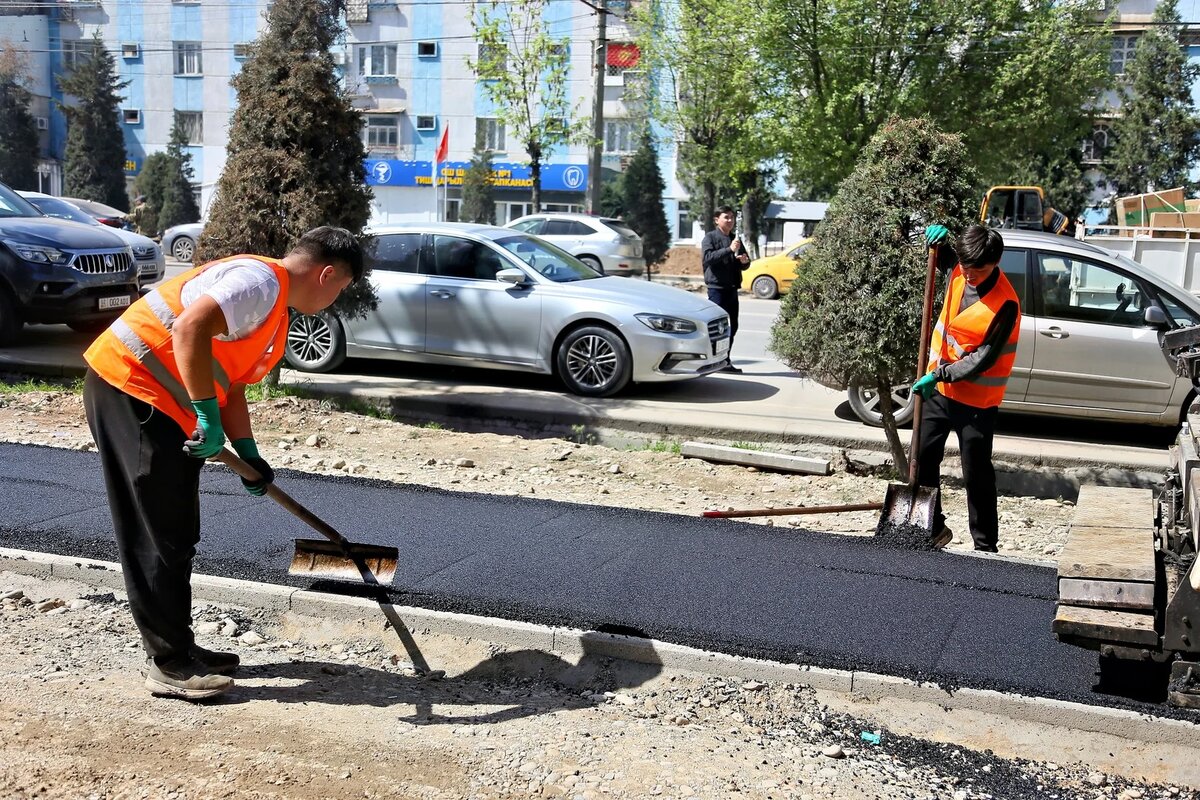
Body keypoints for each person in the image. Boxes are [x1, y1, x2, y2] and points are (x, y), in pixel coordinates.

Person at [82, 226, 364, 700]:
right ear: (328, 273)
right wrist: (207, 418)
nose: (335, 300)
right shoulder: (258, 283)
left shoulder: (272, 311)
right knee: (156, 530)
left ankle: (180, 647)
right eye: (341, 289)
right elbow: (189, 327)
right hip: (133, 388)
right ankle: (169, 664)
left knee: (176, 529)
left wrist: (248, 450)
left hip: (168, 401)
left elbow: (228, 382)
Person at [910, 223, 1020, 552]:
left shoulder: (1005, 303)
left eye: (978, 269)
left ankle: (985, 546)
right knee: (922, 457)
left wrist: (938, 375)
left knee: (976, 473)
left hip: (976, 402)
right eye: (966, 267)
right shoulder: (960, 269)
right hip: (939, 394)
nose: (970, 275)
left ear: (995, 263)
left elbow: (982, 360)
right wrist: (940, 239)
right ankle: (932, 527)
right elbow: (945, 258)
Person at [701, 205, 750, 373]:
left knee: (732, 326)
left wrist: (743, 261)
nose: (730, 221)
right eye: (726, 217)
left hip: (732, 288)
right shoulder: (710, 238)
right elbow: (708, 258)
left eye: (732, 217)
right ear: (717, 220)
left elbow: (744, 263)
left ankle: (725, 360)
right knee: (717, 327)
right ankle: (712, 360)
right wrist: (729, 249)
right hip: (717, 289)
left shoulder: (735, 239)